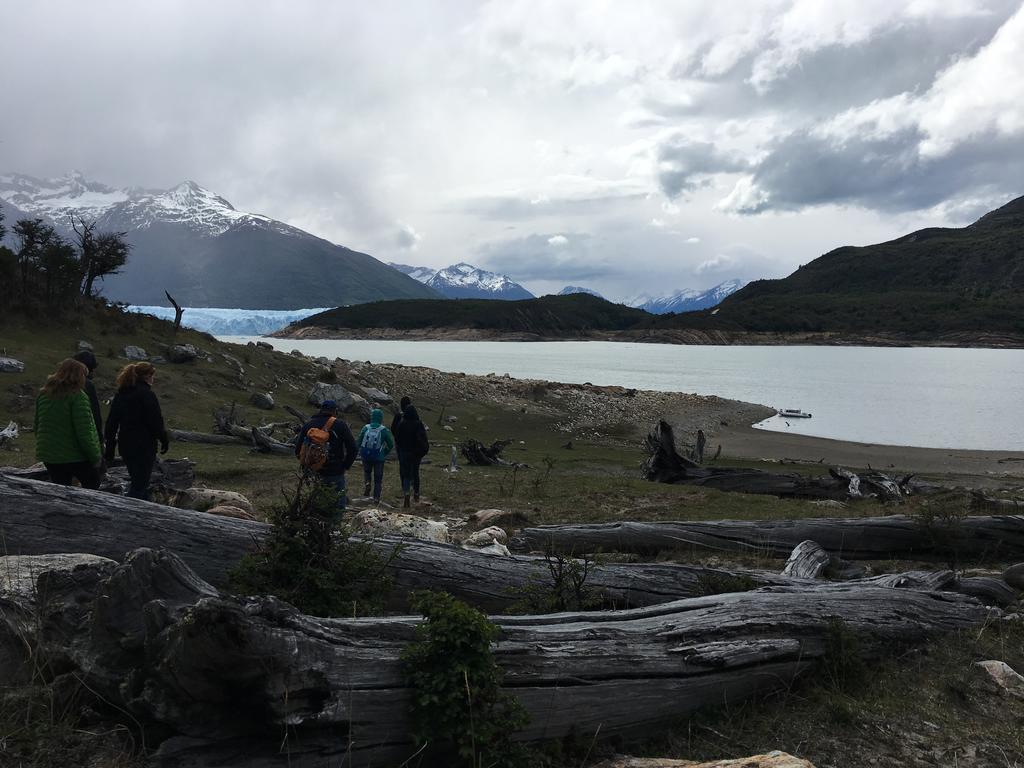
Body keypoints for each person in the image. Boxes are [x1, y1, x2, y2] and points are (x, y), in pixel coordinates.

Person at [34, 358, 103, 489]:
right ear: (78, 376)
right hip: (75, 456)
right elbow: (85, 432)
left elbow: (37, 426)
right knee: (93, 486)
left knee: (60, 489)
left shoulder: (44, 395)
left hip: (50, 456)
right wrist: (95, 457)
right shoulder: (78, 396)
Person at [105, 362, 169, 500]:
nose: (154, 379)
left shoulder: (121, 394)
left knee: (137, 480)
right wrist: (163, 439)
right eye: (153, 375)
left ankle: (144, 509)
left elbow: (112, 422)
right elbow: (156, 421)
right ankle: (128, 510)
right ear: (147, 376)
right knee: (139, 484)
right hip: (144, 445)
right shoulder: (147, 395)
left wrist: (110, 445)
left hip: (126, 444)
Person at [295, 399, 357, 511]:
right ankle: (335, 527)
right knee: (337, 506)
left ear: (321, 410)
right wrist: (345, 465)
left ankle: (317, 526)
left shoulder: (309, 425)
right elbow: (353, 448)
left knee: (316, 505)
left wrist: (308, 465)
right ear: (335, 411)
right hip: (335, 471)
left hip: (314, 472)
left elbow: (298, 450)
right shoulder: (340, 425)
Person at [394, 403, 429, 507]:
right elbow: (423, 438)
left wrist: (401, 448)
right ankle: (416, 494)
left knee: (406, 474)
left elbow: (397, 438)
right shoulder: (418, 424)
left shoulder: (402, 424)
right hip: (416, 453)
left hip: (405, 452)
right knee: (415, 473)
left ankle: (406, 494)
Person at [357, 408, 394, 504]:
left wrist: (359, 451)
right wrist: (384, 453)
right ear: (381, 418)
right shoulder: (384, 430)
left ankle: (367, 483)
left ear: (372, 417)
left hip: (366, 455)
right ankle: (376, 497)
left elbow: (359, 441)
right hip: (379, 457)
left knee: (367, 472)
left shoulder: (365, 428)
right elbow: (390, 444)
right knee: (378, 478)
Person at [72, 349, 103, 443]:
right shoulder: (87, 385)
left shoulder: (57, 384)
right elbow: (94, 412)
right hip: (83, 434)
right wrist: (99, 438)